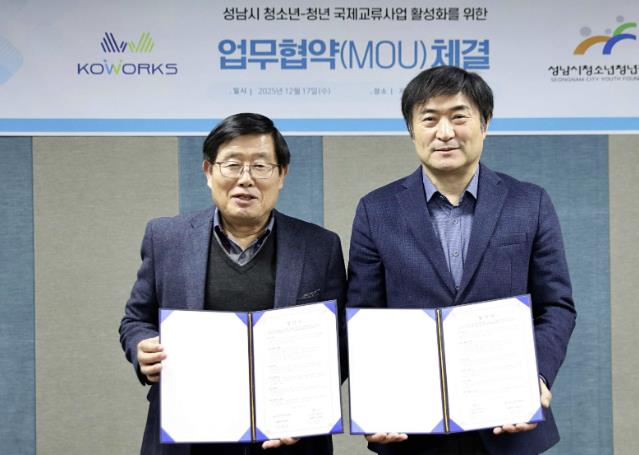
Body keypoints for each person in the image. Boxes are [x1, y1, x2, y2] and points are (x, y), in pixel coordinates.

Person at [347, 66, 576, 455]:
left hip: (508, 423)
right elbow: (364, 318)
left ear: (484, 124)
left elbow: (556, 306)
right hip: (411, 427)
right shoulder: (376, 210)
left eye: (458, 116)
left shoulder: (529, 202)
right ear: (411, 129)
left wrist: (534, 376)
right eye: (429, 119)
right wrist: (375, 401)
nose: (445, 132)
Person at [119, 113, 347, 455]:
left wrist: (306, 406)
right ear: (208, 171)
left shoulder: (320, 246)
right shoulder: (166, 238)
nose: (246, 179)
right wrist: (141, 348)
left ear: (282, 174)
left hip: (288, 439)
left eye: (260, 166)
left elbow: (339, 341)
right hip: (188, 435)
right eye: (232, 165)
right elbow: (135, 320)